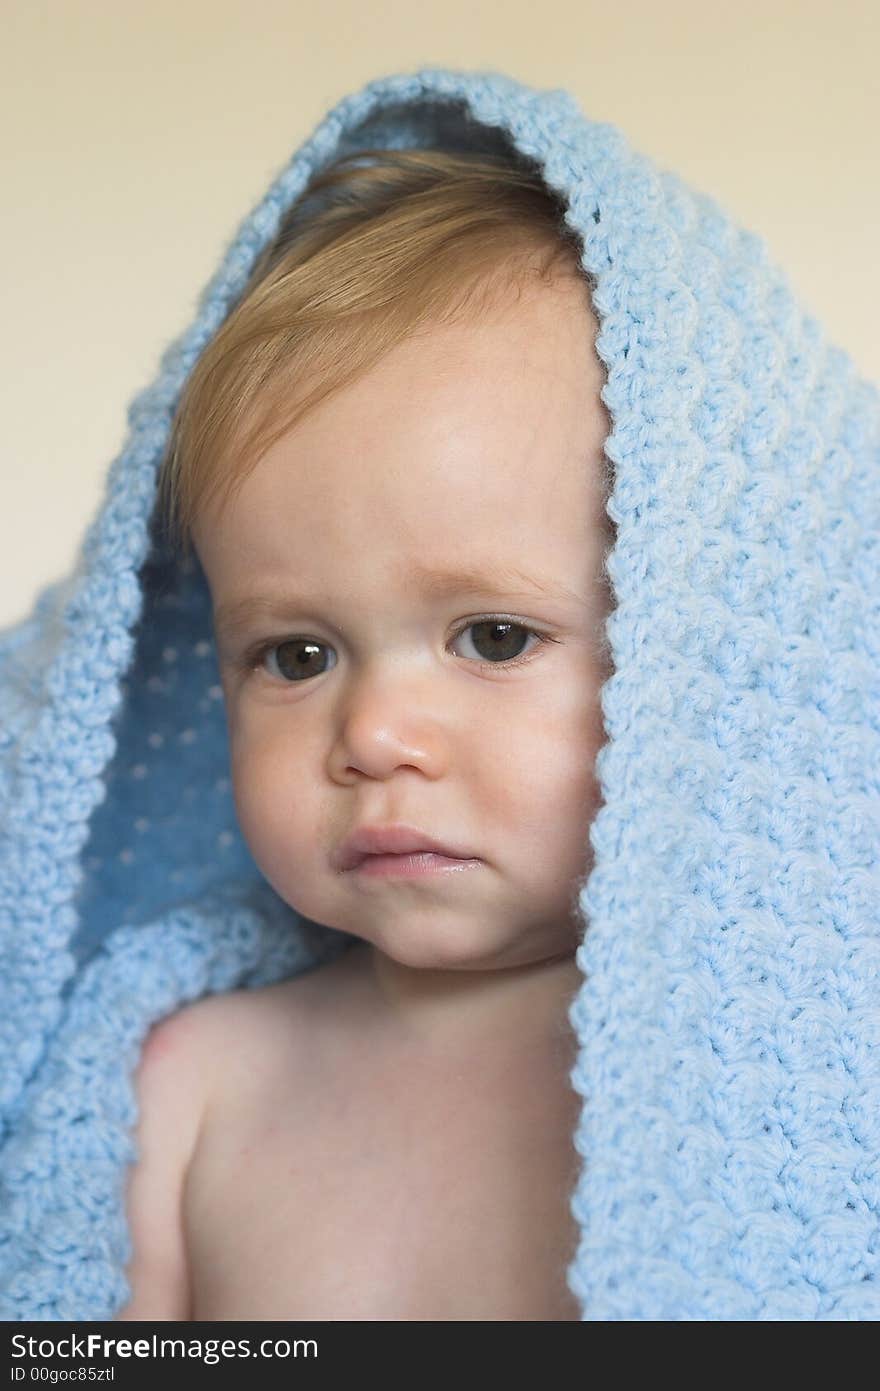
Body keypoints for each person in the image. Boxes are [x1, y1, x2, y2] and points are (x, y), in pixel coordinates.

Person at [1, 68, 878, 1323]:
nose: (371, 735)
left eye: (493, 634)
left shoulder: (794, 1088)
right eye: (296, 654)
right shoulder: (189, 1084)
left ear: (717, 660)